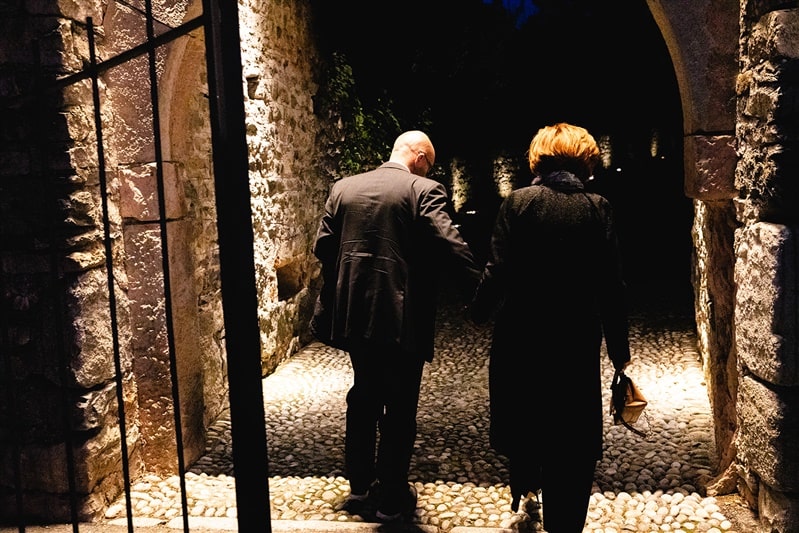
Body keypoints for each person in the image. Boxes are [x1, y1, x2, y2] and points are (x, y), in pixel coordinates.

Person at [310, 130, 481, 522]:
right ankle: (391, 496)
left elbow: (323, 246)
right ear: (420, 157)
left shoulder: (344, 188)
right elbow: (450, 244)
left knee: (364, 392)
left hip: (354, 314)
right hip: (402, 316)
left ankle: (358, 485)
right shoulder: (423, 189)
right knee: (400, 405)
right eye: (430, 163)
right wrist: (481, 290)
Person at [469, 122, 632, 532]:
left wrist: (477, 310)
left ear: (539, 159)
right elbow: (611, 286)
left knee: (526, 424)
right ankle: (565, 522)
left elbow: (499, 269)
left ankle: (526, 489)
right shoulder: (598, 208)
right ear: (584, 160)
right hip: (574, 342)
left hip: (521, 339)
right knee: (571, 440)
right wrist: (619, 351)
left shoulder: (519, 204)